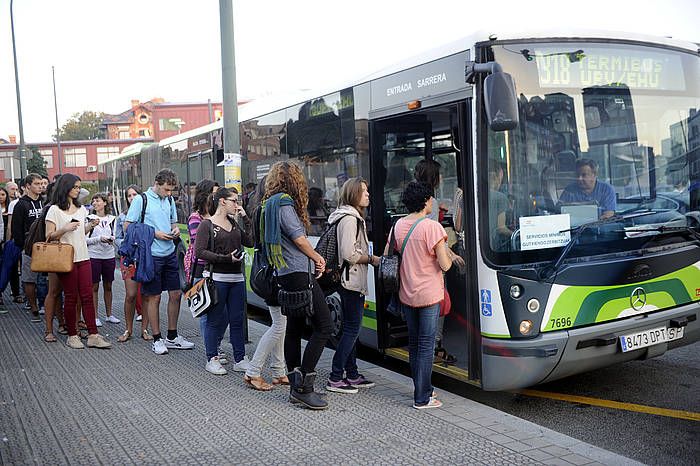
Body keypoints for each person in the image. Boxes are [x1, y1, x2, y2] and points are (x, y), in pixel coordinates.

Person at [263, 161, 332, 410]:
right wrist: (317, 257)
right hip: (298, 273)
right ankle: (304, 385)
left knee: (294, 328)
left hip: (284, 273)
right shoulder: (283, 204)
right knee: (325, 325)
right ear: (294, 181)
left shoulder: (269, 203)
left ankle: (295, 387)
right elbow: (299, 239)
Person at [386, 181, 452, 409]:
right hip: (429, 296)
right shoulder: (432, 227)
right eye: (431, 198)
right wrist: (450, 257)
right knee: (426, 345)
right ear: (425, 201)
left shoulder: (398, 225)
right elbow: (444, 265)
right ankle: (422, 397)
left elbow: (388, 255)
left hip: (406, 294)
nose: (433, 202)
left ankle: (422, 389)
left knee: (414, 344)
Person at [124, 169, 194, 355]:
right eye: (166, 190)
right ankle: (157, 339)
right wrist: (154, 233)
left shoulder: (169, 200)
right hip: (151, 255)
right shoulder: (141, 200)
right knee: (154, 297)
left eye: (171, 190)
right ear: (156, 184)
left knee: (176, 294)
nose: (169, 194)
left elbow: (172, 221)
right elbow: (128, 226)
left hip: (170, 252)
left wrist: (175, 229)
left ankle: (172, 336)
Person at [45, 174, 111, 349]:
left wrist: (89, 227)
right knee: (71, 297)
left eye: (78, 187)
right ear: (65, 187)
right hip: (66, 259)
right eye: (75, 187)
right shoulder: (54, 210)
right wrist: (64, 229)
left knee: (87, 296)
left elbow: (80, 233)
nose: (78, 190)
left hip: (84, 256)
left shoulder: (82, 210)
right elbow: (48, 236)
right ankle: (72, 335)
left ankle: (93, 334)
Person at [326, 177, 379, 394]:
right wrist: (371, 259)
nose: (368, 195)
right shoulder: (349, 219)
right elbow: (348, 253)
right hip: (350, 281)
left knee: (351, 328)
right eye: (364, 191)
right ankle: (336, 376)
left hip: (349, 279)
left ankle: (353, 373)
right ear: (354, 194)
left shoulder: (350, 217)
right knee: (352, 329)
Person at [195, 188, 254, 375]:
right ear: (222, 201)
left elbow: (251, 242)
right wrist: (226, 258)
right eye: (234, 201)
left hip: (237, 278)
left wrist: (246, 219)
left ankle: (240, 359)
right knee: (215, 320)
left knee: (237, 319)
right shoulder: (207, 224)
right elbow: (200, 252)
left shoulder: (234, 223)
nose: (237, 205)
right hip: (217, 279)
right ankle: (211, 358)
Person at [244, 177, 287, 391]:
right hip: (274, 273)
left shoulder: (258, 209)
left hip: (265, 273)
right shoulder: (269, 211)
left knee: (280, 322)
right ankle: (253, 371)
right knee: (279, 325)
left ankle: (279, 371)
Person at [185, 179, 222, 358]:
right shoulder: (195, 218)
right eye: (214, 193)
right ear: (204, 195)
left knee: (222, 312)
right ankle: (211, 352)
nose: (217, 197)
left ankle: (216, 345)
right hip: (201, 269)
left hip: (218, 268)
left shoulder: (219, 215)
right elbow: (199, 246)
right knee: (206, 310)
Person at [115, 185, 150, 342]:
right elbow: (117, 238)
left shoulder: (147, 214)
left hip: (144, 257)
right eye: (129, 195)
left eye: (135, 194)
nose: (132, 198)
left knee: (146, 295)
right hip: (129, 257)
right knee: (131, 294)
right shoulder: (122, 217)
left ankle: (145, 329)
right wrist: (131, 241)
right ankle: (128, 329)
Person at [12, 173, 45, 322]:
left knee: (47, 279)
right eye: (37, 184)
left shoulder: (44, 202)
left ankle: (46, 305)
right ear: (28, 186)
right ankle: (33, 307)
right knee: (29, 278)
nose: (40, 186)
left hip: (46, 246)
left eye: (41, 183)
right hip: (29, 248)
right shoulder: (21, 204)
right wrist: (24, 246)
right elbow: (16, 229)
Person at [87, 193, 119, 327]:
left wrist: (111, 239)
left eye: (98, 200)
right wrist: (98, 239)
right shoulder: (89, 218)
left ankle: (109, 314)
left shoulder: (113, 219)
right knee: (94, 286)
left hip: (109, 255)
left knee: (108, 285)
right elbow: (84, 239)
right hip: (94, 255)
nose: (95, 203)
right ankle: (95, 317)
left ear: (105, 203)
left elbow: (115, 236)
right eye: (93, 201)